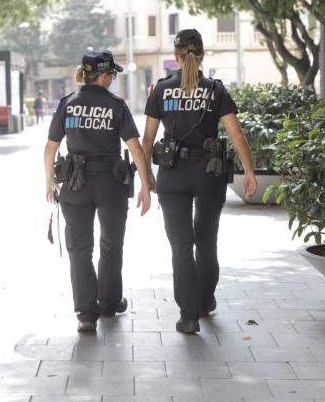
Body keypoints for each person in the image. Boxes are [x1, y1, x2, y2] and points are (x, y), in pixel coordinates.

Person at [141, 29, 257, 334]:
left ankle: (189, 315)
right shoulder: (216, 90)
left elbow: (148, 139)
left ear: (176, 57)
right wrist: (249, 171)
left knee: (181, 246)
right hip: (209, 174)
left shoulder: (161, 90)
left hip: (172, 175)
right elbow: (237, 135)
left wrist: (145, 176)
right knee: (206, 242)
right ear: (203, 55)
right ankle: (205, 302)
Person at [44, 50, 153, 333]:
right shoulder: (116, 105)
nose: (112, 78)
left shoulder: (68, 104)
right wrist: (145, 185)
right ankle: (108, 303)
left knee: (79, 250)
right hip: (110, 185)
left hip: (75, 184)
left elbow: (51, 147)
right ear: (105, 76)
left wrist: (49, 182)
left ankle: (86, 314)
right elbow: (135, 148)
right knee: (111, 246)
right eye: (112, 74)